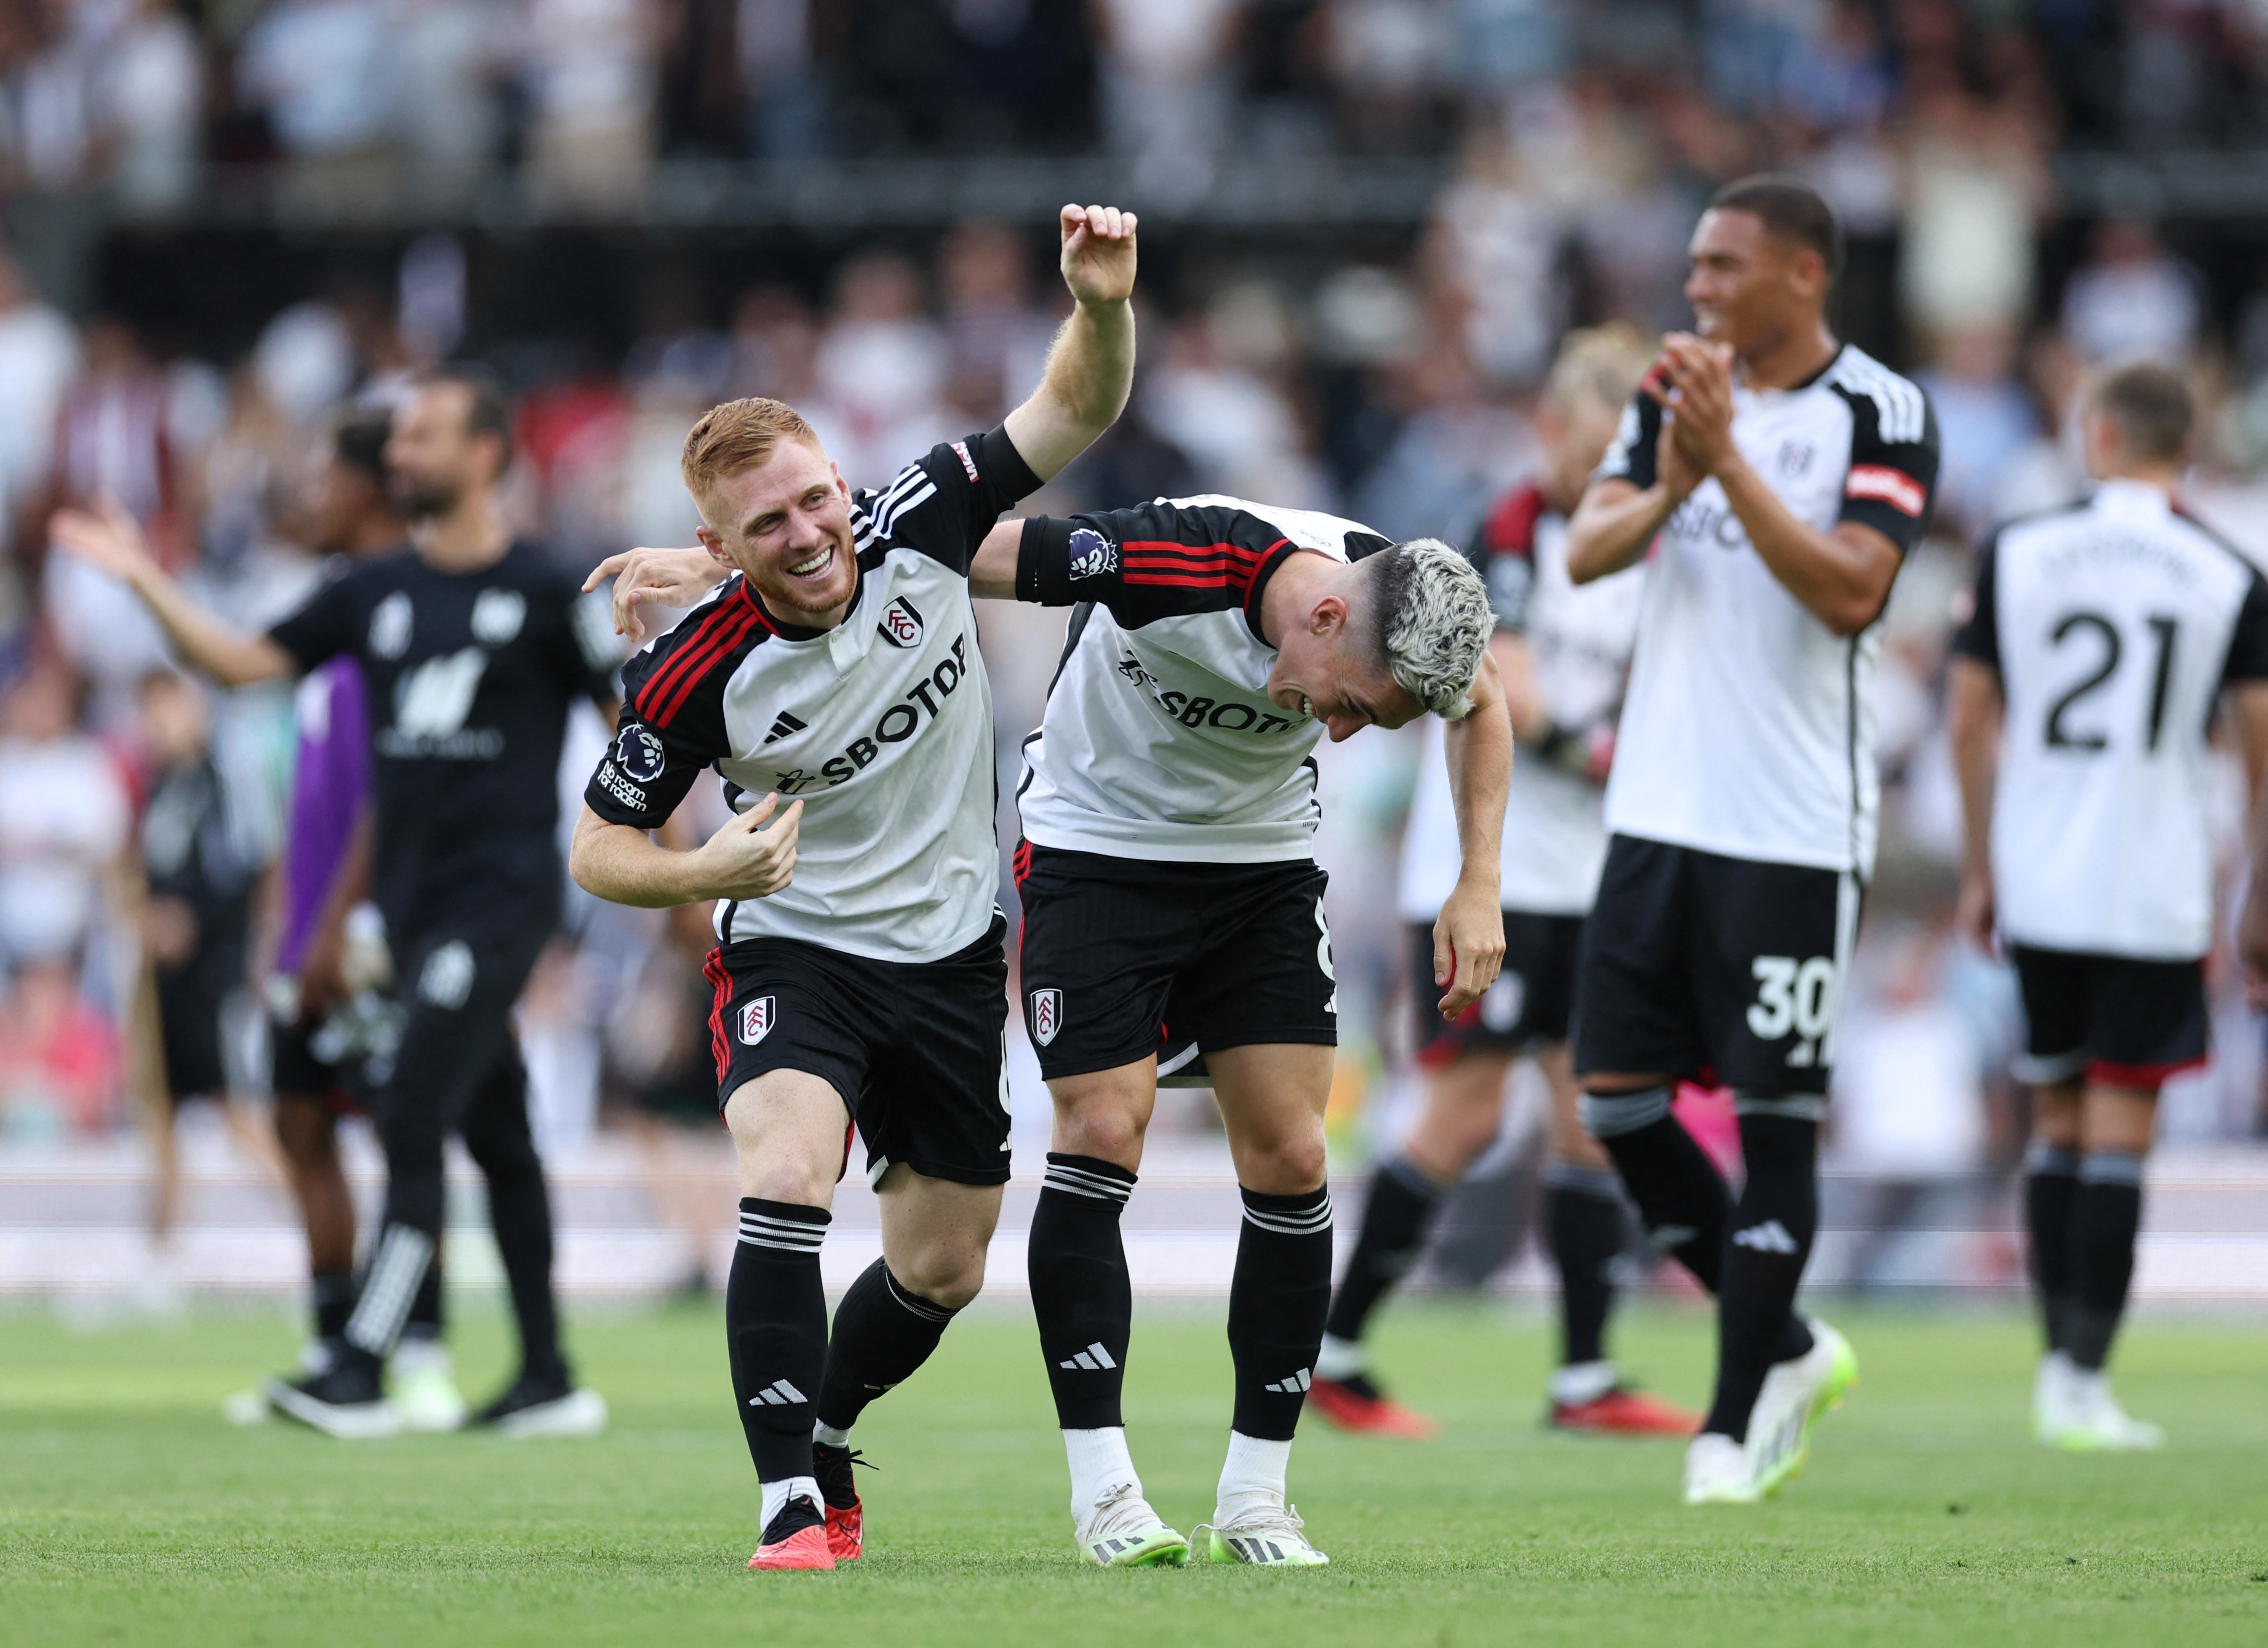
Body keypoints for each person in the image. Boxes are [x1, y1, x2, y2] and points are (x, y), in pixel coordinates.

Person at [570, 204, 1140, 1574]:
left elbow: (1074, 403)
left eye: (817, 496)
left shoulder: (925, 514)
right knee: (783, 1169)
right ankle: (784, 1505)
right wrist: (705, 869)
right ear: (719, 544)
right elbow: (600, 844)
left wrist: (1103, 304)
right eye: (767, 522)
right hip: (797, 954)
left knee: (942, 1269)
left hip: (948, 960)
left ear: (843, 478)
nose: (810, 531)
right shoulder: (693, 670)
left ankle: (823, 1427)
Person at [52, 369, 621, 1440]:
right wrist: (142, 579)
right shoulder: (374, 592)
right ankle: (547, 1372)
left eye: (421, 437)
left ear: (488, 453)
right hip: (406, 914)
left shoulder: (551, 587)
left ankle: (361, 1363)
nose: (398, 455)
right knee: (497, 1132)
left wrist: (680, 873)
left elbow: (639, 729)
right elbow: (235, 663)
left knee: (410, 1108)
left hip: (499, 903)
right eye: (395, 441)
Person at [1005, 493, 1505, 1566]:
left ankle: (1255, 1499)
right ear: (1322, 619)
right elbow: (949, 547)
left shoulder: (1393, 594)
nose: (1332, 730)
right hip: (1095, 846)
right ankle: (1104, 1495)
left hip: (1257, 868)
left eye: (1360, 724)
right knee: (1102, 1127)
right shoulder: (1163, 559)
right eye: (1352, 706)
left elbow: (1484, 700)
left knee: (1290, 1152)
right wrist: (758, 574)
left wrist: (1478, 882)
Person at [1562, 175, 1940, 1505]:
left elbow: (1851, 589)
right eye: (1694, 264)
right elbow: (1587, 551)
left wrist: (1724, 467)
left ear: (1802, 272)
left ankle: (1729, 1423)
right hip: (1656, 809)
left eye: (1723, 265)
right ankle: (1782, 1333)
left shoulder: (1876, 410)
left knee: (1773, 1119)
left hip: (1787, 824)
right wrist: (1677, 475)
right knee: (1612, 1096)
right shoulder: (1674, 392)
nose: (1698, 287)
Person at [1310, 325, 1698, 1441]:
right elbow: (1513, 700)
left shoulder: (1648, 548)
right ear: (1553, 424)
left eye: (1637, 438)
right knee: (1469, 1111)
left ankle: (1582, 1377)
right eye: (1598, 432)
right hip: (1495, 871)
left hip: (1587, 876)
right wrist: (1629, 754)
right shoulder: (1507, 531)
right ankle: (1336, 1347)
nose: (1612, 457)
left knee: (1589, 1116)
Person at [1947, 362, 2268, 1451]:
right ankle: (2082, 1383)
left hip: (2037, 875)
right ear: (2186, 443)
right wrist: (2255, 896)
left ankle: (2052, 1365)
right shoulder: (2225, 570)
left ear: (2094, 432)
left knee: (2053, 1121)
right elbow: (2261, 749)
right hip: (2153, 883)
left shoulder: (2016, 549)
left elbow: (1965, 718)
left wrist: (1983, 863)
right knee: (2120, 1132)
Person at [253, 408, 465, 1431]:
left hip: (383, 926)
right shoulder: (333, 609)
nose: (310, 498)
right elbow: (312, 789)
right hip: (309, 925)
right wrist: (285, 923)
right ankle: (335, 1336)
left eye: (326, 480)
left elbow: (399, 788)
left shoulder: (408, 609)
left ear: (373, 488)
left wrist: (344, 920)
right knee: (299, 1123)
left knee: (403, 1134)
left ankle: (417, 1348)